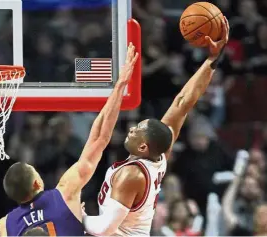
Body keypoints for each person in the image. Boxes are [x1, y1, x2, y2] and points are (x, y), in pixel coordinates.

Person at [82, 17, 230, 236]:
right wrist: (212, 60)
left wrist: (81, 215)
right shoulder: (159, 155)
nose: (131, 129)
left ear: (143, 147)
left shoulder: (131, 175)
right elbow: (182, 102)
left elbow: (104, 229)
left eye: (137, 131)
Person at [0, 44, 139, 236]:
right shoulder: (65, 192)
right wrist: (119, 85)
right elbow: (100, 138)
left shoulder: (4, 225)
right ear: (37, 183)